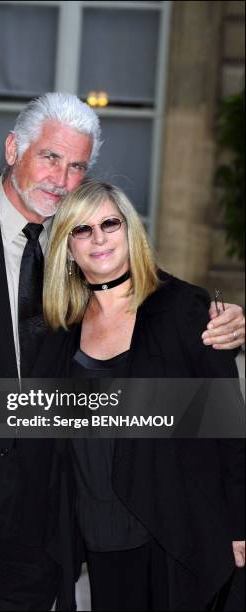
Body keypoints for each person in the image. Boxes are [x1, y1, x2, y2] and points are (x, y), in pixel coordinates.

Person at [0, 93, 245, 610]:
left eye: (77, 165)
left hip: (45, 511)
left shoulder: (81, 239)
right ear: (14, 148)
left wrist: (218, 313)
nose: (61, 177)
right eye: (51, 157)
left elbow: (143, 287)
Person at [35, 178, 245, 611]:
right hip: (97, 529)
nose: (98, 239)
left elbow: (228, 428)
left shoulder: (184, 308)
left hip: (173, 526)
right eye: (82, 229)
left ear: (131, 230)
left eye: (110, 224)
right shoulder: (60, 326)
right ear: (67, 247)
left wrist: (240, 522)